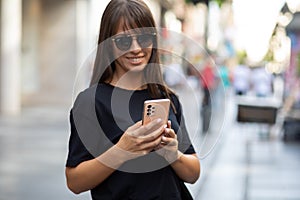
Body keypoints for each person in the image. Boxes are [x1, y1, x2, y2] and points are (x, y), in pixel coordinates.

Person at [65, 0, 200, 199]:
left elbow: (193, 173)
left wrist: (172, 155)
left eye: (144, 38)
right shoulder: (91, 102)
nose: (136, 48)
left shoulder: (166, 97)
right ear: (108, 44)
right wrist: (123, 149)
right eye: (124, 41)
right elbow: (74, 181)